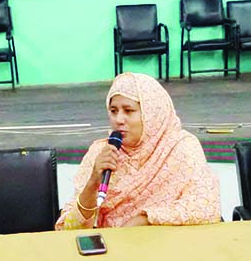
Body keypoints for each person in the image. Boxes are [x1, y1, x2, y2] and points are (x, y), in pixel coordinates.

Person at [55, 72, 221, 229]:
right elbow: (69, 229)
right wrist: (92, 184)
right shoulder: (101, 152)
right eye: (113, 111)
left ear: (152, 113)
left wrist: (145, 219)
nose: (119, 120)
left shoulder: (181, 148)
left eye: (128, 111)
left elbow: (207, 207)